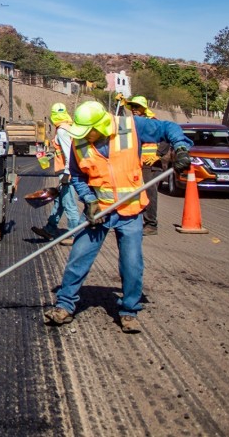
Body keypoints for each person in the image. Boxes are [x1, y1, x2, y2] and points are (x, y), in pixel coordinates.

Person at [44, 100, 192, 334]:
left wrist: (181, 148)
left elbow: (169, 128)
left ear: (100, 126)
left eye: (88, 132)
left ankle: (128, 311)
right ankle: (64, 304)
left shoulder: (132, 127)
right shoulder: (79, 141)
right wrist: (89, 201)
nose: (85, 137)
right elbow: (76, 174)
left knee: (132, 264)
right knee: (79, 257)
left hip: (129, 212)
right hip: (99, 212)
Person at [32, 103, 80, 244]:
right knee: (59, 201)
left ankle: (74, 235)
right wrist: (49, 157)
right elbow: (63, 152)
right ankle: (49, 229)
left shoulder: (62, 131)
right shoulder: (68, 128)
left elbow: (68, 154)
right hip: (66, 171)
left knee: (69, 203)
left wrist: (66, 174)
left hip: (67, 173)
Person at [126, 95, 167, 236]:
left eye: (137, 107)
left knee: (150, 193)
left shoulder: (152, 122)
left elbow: (166, 138)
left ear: (144, 108)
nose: (134, 110)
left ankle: (151, 225)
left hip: (151, 164)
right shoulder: (135, 123)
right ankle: (138, 222)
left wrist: (158, 154)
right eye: (132, 107)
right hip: (139, 164)